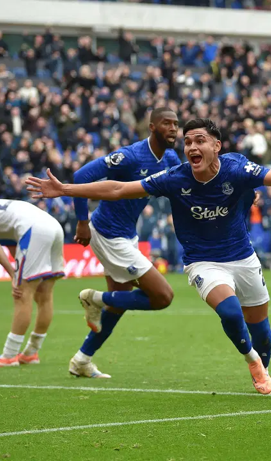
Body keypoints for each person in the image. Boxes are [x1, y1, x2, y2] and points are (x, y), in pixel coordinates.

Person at [28, 118, 271, 394]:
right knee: (230, 313)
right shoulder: (175, 178)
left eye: (199, 140)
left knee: (264, 335)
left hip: (243, 258)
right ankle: (254, 365)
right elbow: (118, 189)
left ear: (216, 146)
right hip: (203, 262)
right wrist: (66, 189)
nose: (191, 146)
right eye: (188, 141)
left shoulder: (237, 168)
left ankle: (263, 367)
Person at [67, 107, 181, 379]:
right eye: (166, 123)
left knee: (119, 303)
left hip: (127, 234)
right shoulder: (130, 156)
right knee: (163, 296)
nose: (173, 128)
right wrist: (82, 222)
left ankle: (81, 360)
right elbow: (81, 176)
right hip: (108, 234)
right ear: (152, 127)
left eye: (176, 124)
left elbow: (185, 187)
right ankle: (94, 298)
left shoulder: (171, 158)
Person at [0, 199, 65, 368]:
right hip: (53, 226)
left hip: (34, 229)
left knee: (22, 294)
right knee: (44, 294)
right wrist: (16, 272)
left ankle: (9, 356)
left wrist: (13, 275)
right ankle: (31, 353)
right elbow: (12, 244)